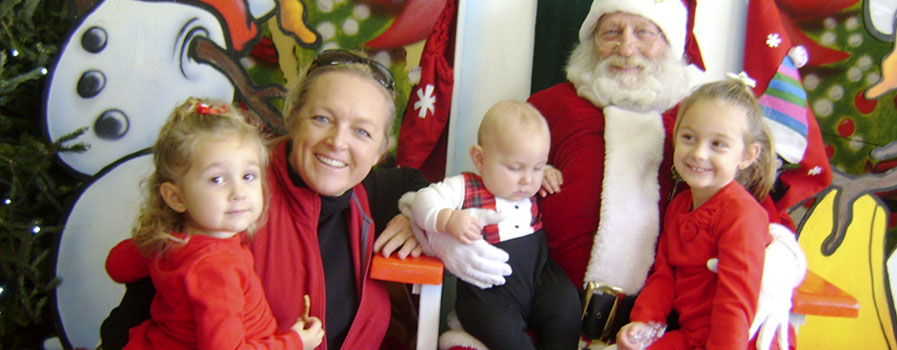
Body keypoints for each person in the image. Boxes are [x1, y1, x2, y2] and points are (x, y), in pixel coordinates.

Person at [101, 49, 511, 350]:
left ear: (381, 149)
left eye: (362, 132)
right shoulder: (234, 198)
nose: (338, 143)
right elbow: (126, 325)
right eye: (322, 119)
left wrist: (415, 213)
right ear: (292, 117)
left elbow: (414, 181)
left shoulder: (369, 192)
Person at [523, 0, 831, 337]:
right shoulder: (549, 107)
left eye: (644, 33)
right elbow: (498, 175)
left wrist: (775, 269)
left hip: (657, 331)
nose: (626, 47)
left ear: (669, 43)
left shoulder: (696, 124)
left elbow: (760, 215)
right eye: (611, 32)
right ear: (591, 41)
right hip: (547, 325)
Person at [105, 98, 325, 349]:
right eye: (217, 179)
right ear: (176, 197)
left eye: (248, 176)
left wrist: (150, 246)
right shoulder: (216, 268)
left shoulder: (172, 238)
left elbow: (116, 265)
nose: (239, 192)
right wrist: (295, 343)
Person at [403, 100, 580, 349]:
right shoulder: (465, 186)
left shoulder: (532, 181)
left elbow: (532, 167)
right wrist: (448, 219)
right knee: (501, 330)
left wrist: (548, 172)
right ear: (479, 158)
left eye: (537, 167)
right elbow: (423, 200)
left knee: (566, 305)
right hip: (489, 291)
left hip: (538, 273)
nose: (528, 180)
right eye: (515, 168)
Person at [615, 79, 774, 350]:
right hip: (692, 337)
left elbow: (735, 304)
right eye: (689, 137)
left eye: (718, 144)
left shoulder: (742, 214)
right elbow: (664, 275)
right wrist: (643, 323)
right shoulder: (679, 205)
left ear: (747, 155)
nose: (699, 153)